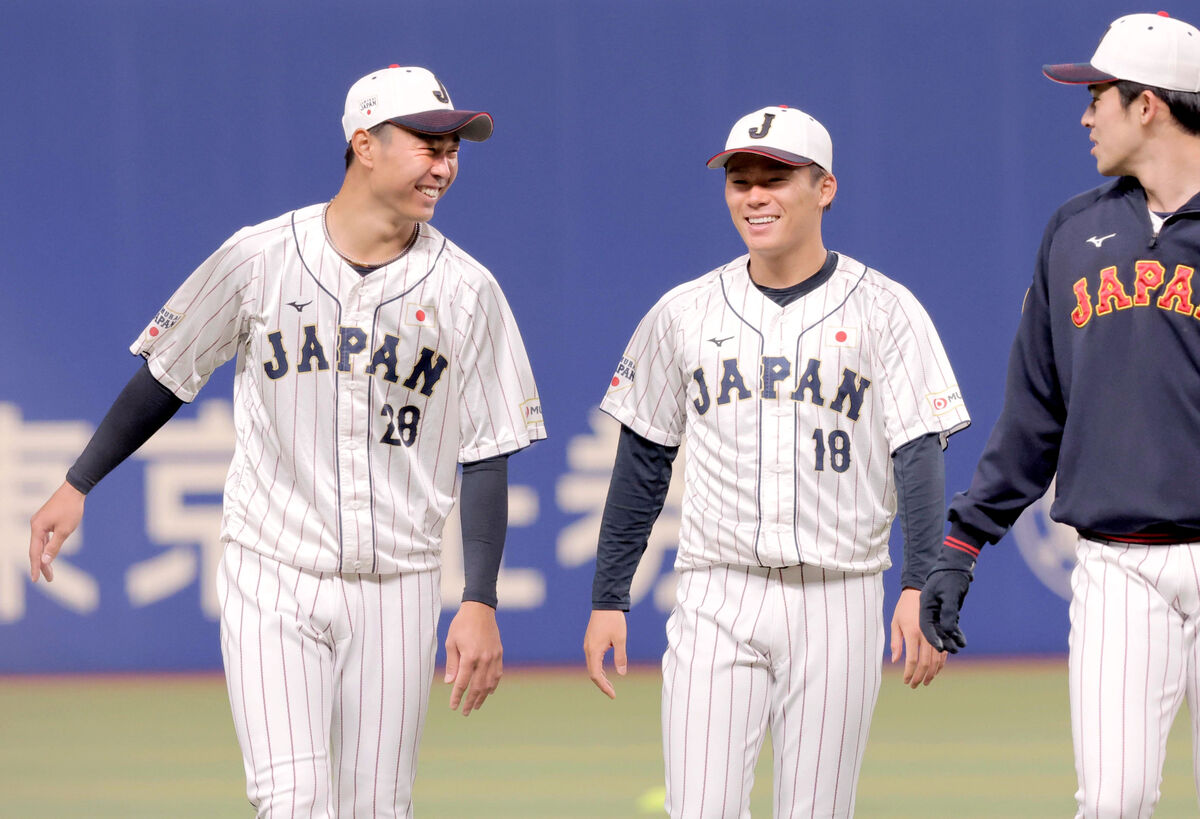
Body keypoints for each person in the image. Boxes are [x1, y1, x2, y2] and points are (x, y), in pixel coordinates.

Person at [28, 64, 546, 816]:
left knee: (378, 807)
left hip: (399, 585)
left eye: (453, 149)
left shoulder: (469, 290)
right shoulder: (261, 257)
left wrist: (479, 599)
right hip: (272, 570)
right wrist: (78, 482)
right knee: (292, 799)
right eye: (427, 144)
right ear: (363, 144)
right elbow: (168, 374)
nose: (444, 164)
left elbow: (487, 450)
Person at [583, 104, 970, 817]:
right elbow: (643, 462)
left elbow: (918, 454)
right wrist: (609, 595)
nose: (755, 196)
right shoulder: (684, 311)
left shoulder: (887, 310)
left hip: (839, 593)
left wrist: (919, 582)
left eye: (776, 178)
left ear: (825, 188)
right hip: (716, 590)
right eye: (741, 181)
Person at [919, 11, 1200, 818]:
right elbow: (1036, 407)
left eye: (1096, 96)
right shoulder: (1076, 231)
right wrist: (963, 541)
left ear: (1147, 104)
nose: (1085, 116)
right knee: (1112, 800)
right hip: (1118, 565)